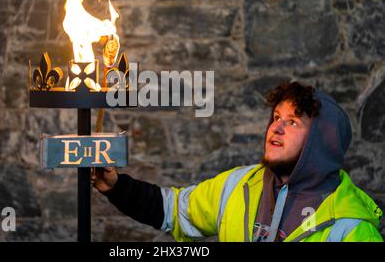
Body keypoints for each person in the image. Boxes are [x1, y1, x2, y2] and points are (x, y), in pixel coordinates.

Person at [91, 81, 383, 242]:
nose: (276, 128)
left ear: (320, 141)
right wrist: (117, 188)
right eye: (277, 117)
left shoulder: (351, 227)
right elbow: (173, 211)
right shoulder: (239, 185)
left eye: (293, 122)